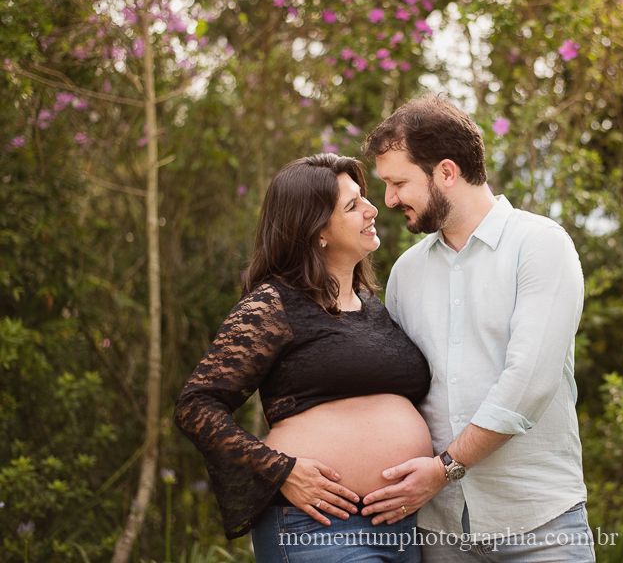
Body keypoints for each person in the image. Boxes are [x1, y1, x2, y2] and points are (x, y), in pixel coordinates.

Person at [359, 95, 594, 562]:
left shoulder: (541, 246)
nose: (388, 201)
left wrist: (445, 468)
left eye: (398, 182)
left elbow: (529, 382)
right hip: (438, 529)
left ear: (447, 172)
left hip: (539, 522)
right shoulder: (406, 272)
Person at [174, 153, 433, 562]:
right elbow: (196, 405)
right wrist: (279, 470)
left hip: (401, 529)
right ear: (317, 233)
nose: (372, 209)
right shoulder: (273, 304)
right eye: (352, 206)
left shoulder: (376, 308)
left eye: (363, 197)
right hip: (317, 528)